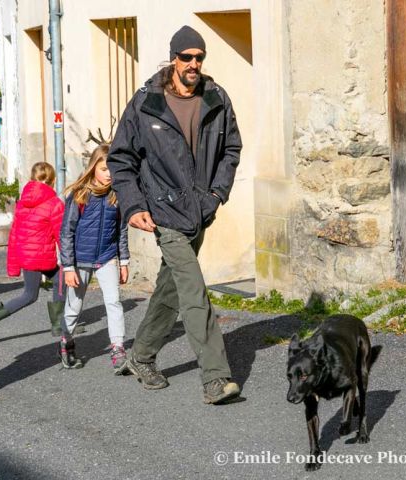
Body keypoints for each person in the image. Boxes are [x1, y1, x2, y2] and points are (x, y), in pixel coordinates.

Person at [107, 26, 243, 404]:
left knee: (171, 288)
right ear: (174, 59)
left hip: (201, 210)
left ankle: (141, 356)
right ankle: (216, 379)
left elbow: (231, 149)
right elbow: (121, 158)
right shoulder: (147, 102)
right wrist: (134, 206)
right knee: (194, 290)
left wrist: (217, 194)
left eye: (199, 57)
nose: (194, 64)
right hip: (163, 211)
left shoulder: (216, 98)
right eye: (187, 57)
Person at [0, 161, 66, 344]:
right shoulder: (54, 203)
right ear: (53, 181)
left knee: (58, 280)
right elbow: (61, 235)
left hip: (27, 256)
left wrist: (13, 266)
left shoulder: (22, 202)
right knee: (32, 294)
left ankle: (58, 324)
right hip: (41, 257)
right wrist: (69, 259)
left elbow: (14, 234)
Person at [59, 144, 130, 372]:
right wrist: (68, 266)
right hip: (80, 260)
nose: (108, 174)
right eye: (103, 169)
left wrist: (124, 261)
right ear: (93, 169)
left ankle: (118, 348)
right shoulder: (80, 194)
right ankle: (66, 342)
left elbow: (122, 229)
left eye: (112, 169)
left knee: (114, 302)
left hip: (107, 257)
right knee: (74, 306)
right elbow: (66, 232)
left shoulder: (117, 195)